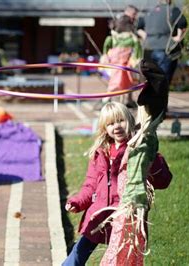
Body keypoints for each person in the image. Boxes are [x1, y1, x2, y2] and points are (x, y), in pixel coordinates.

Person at [61, 101, 172, 265]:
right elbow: (90, 185)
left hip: (124, 216)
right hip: (99, 214)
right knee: (78, 253)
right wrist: (77, 202)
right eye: (110, 124)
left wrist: (152, 158)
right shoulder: (101, 152)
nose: (116, 127)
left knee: (119, 257)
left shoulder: (139, 149)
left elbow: (164, 181)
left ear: (130, 120)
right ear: (104, 129)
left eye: (120, 120)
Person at [137, 0, 187, 84]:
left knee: (151, 81)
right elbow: (182, 22)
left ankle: (151, 96)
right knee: (163, 81)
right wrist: (178, 37)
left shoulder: (150, 11)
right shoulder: (173, 10)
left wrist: (146, 36)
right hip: (164, 48)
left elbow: (138, 27)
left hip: (148, 49)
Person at [101, 15, 142, 108]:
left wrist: (134, 60)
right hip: (114, 65)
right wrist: (105, 55)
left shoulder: (131, 38)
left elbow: (138, 51)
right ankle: (111, 96)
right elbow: (106, 47)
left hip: (124, 65)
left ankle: (117, 100)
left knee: (122, 78)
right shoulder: (113, 37)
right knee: (119, 77)